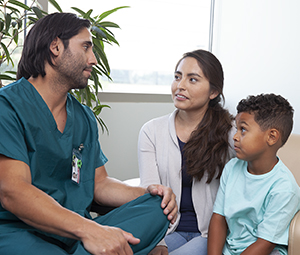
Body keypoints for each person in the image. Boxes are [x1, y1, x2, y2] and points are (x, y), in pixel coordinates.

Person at [0, 13, 178, 255]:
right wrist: (89, 230)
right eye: (86, 47)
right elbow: (14, 193)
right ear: (55, 47)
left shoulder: (83, 117)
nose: (93, 59)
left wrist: (147, 193)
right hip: (21, 231)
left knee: (158, 207)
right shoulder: (7, 106)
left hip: (77, 232)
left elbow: (99, 183)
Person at [138, 49, 236, 255]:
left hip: (210, 234)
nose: (180, 86)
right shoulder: (151, 131)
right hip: (165, 231)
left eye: (193, 79)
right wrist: (159, 241)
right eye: (177, 77)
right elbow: (149, 191)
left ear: (213, 92)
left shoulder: (230, 133)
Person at [207, 93, 300, 255]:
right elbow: (218, 218)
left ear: (271, 137)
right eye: (237, 129)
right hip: (229, 247)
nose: (235, 137)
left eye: (243, 129)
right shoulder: (232, 167)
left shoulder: (285, 188)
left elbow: (265, 243)